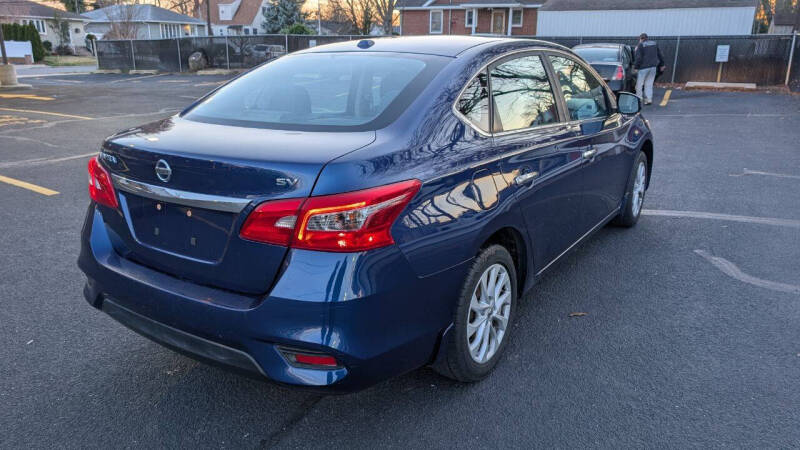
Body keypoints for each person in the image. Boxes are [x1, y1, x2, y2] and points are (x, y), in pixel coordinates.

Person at [633, 33, 665, 105]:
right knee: (649, 84)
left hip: (643, 68)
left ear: (641, 39)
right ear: (647, 38)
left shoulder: (640, 45)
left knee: (639, 84)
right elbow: (660, 55)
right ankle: (648, 99)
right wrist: (662, 65)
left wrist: (636, 67)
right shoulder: (654, 44)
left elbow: (639, 58)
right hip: (653, 67)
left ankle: (639, 99)